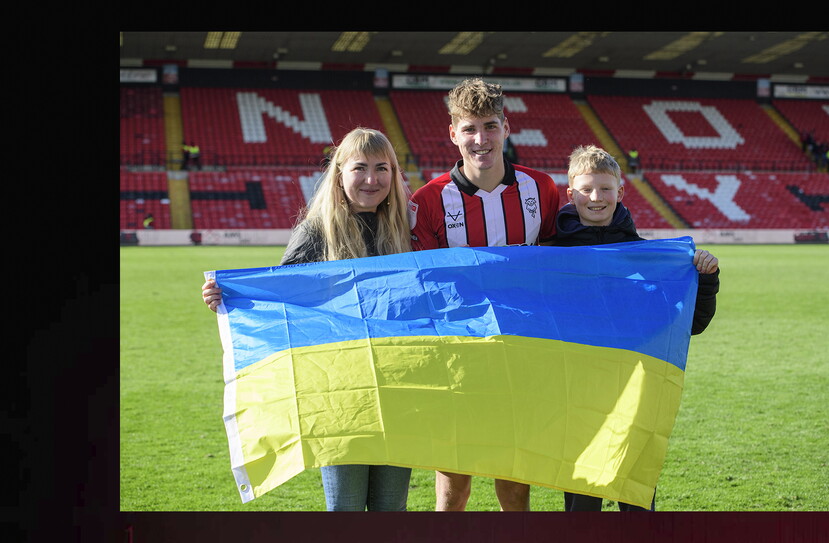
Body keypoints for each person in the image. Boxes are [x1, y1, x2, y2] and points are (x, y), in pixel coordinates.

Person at [201, 127, 415, 511]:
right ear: (339, 174)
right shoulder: (317, 230)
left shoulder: (407, 230)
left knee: (392, 510)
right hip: (339, 393)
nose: (372, 179)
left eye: (382, 168)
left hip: (398, 389)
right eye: (360, 168)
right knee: (345, 509)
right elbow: (280, 294)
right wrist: (230, 297)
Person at [409, 77, 560, 511]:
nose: (481, 139)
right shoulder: (431, 200)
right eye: (470, 129)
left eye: (490, 126)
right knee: (453, 481)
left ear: (506, 128)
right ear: (454, 134)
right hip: (457, 355)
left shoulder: (541, 189)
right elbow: (422, 283)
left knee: (514, 480)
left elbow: (563, 262)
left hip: (522, 352)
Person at [555, 145, 720, 512]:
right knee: (581, 507)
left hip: (633, 396)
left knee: (637, 505)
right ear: (570, 194)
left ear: (620, 192)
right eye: (586, 189)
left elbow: (691, 324)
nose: (596, 197)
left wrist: (705, 280)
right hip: (576, 400)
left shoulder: (648, 258)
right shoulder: (548, 254)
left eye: (605, 189)